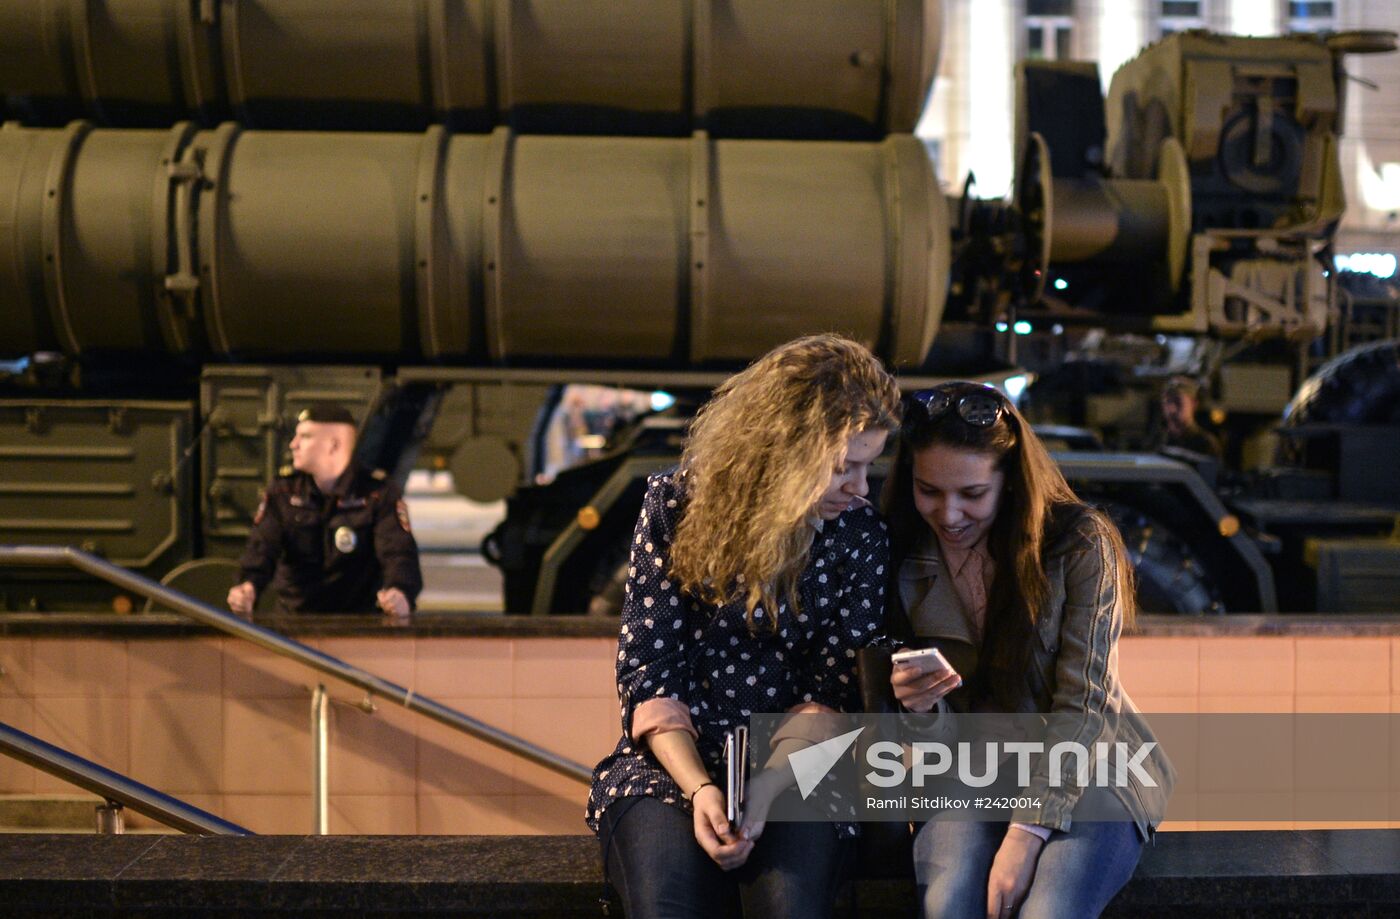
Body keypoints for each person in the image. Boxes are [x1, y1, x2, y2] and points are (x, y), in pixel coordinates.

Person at [586, 334, 902, 919]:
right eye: (843, 468)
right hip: (672, 763)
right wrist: (701, 788)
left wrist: (763, 788)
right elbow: (650, 670)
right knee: (664, 905)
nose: (861, 487)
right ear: (784, 453)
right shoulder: (675, 505)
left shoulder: (859, 534)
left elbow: (836, 693)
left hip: (800, 767)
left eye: (869, 465)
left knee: (787, 905)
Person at [881, 382, 1173, 919]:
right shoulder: (899, 552)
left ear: (1010, 482)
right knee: (949, 904)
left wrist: (1027, 829)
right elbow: (920, 740)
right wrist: (918, 710)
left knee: (1049, 909)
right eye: (929, 491)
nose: (948, 515)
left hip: (1093, 765)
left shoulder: (1080, 544)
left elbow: (1085, 704)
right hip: (968, 769)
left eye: (972, 494)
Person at [227, 405, 422, 620]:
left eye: (305, 436)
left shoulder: (377, 493)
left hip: (358, 625)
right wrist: (248, 586)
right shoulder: (283, 491)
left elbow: (398, 553)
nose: (293, 445)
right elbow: (261, 547)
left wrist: (400, 592)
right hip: (293, 623)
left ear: (334, 445)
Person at [1158, 376, 1221, 459]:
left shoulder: (1205, 444)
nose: (1172, 409)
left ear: (1193, 404)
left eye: (1178, 402)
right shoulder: (1159, 440)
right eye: (1167, 402)